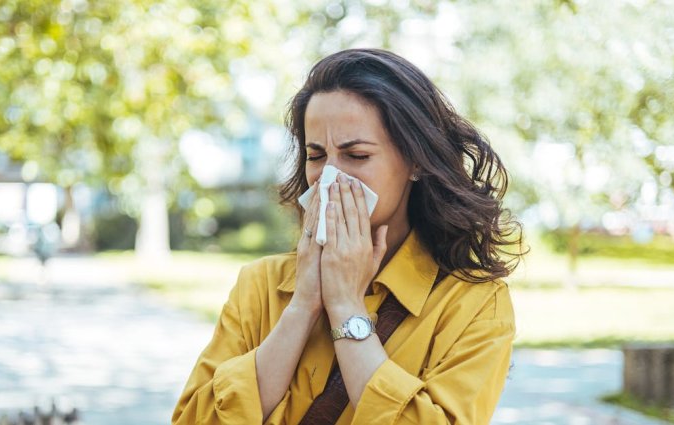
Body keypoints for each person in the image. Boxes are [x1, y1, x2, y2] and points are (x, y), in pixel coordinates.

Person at [173, 48, 523, 424]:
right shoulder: (261, 285)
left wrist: (345, 306)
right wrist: (304, 305)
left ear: (416, 161)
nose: (329, 177)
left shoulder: (474, 304)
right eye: (316, 155)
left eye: (356, 155)